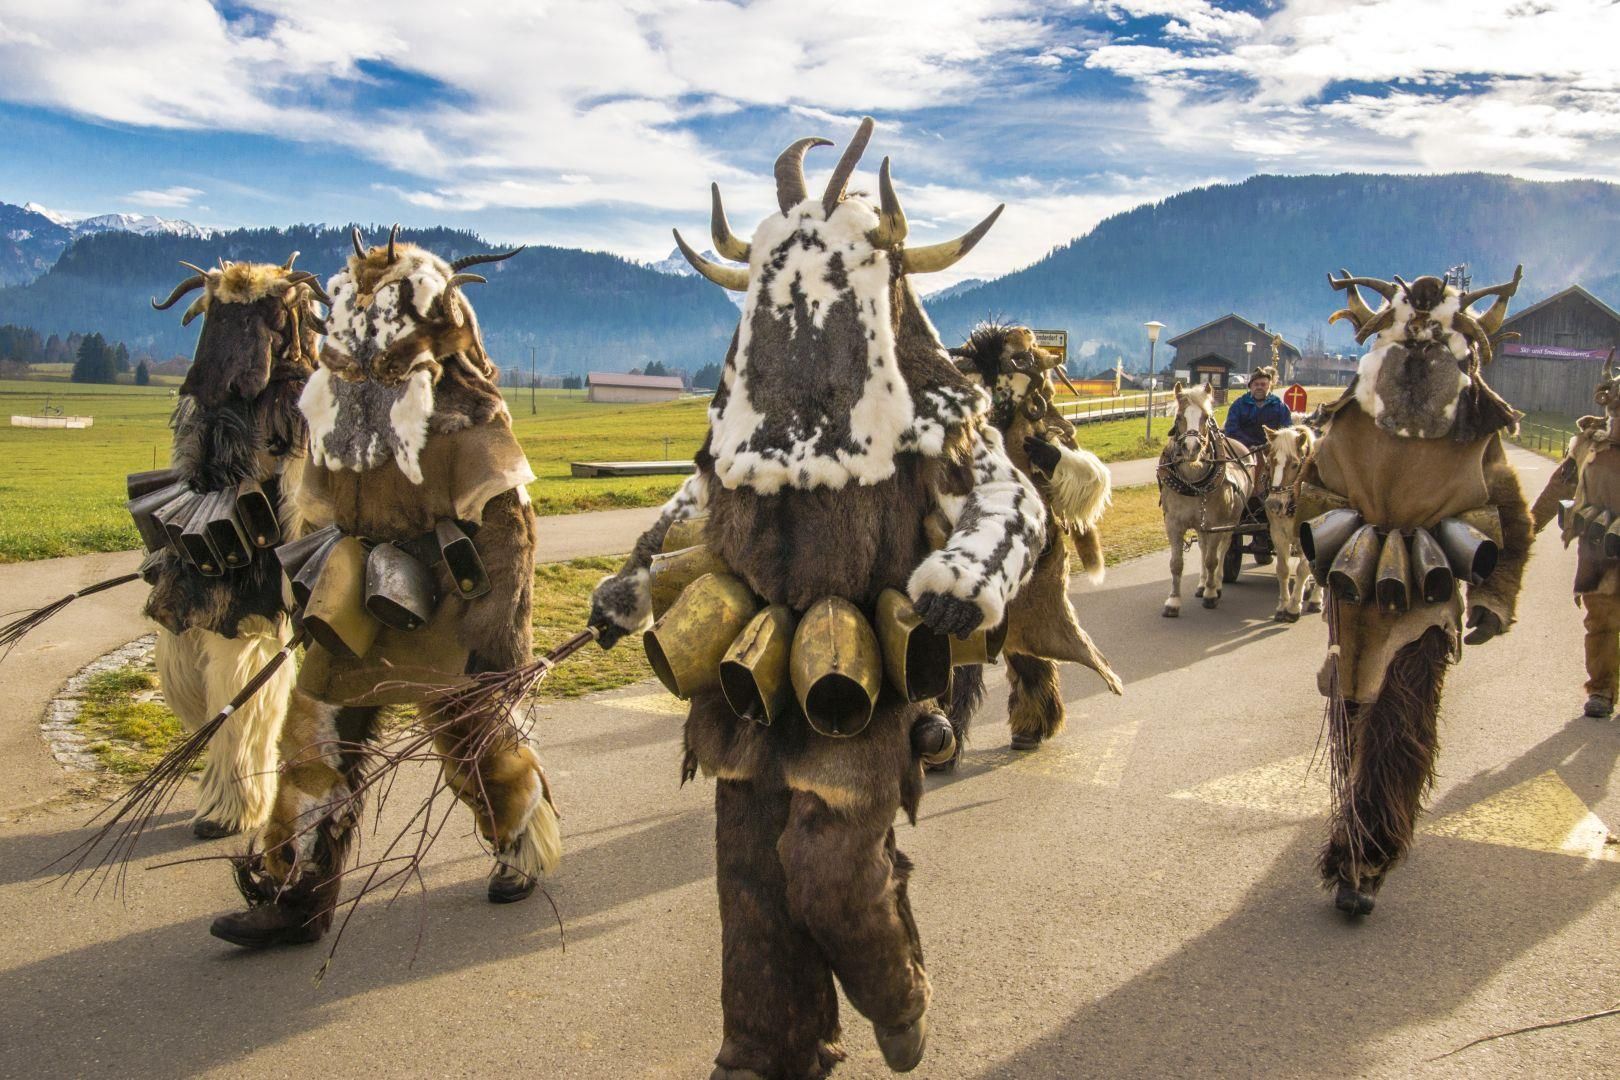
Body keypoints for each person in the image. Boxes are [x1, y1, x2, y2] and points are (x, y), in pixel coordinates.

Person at [588, 120, 1042, 1078]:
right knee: (751, 886)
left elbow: (1008, 500)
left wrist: (968, 579)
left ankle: (895, 988)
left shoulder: (925, 402)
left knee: (830, 876)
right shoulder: (743, 415)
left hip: (861, 681)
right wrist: (632, 586)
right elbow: (694, 504)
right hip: (747, 680)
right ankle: (765, 1052)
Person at [208, 231, 561, 949]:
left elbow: (511, 533)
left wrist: (499, 642)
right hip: (359, 606)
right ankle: (295, 895)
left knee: (476, 747)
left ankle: (522, 844)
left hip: (449, 612)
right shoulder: (339, 425)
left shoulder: (468, 428)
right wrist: (311, 591)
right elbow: (321, 514)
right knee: (314, 741)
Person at [1530, 349, 1620, 717]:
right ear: (1608, 403)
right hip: (1599, 551)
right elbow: (1558, 488)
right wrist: (1527, 529)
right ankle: (1601, 690)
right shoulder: (1588, 444)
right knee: (1600, 622)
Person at [1223, 365, 1292, 450]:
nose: (1259, 387)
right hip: (1242, 450)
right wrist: (1249, 444)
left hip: (1272, 450)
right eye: (1256, 384)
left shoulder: (1280, 406)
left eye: (1263, 384)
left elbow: (1286, 431)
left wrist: (1268, 446)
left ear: (1269, 386)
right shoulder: (1238, 405)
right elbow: (1231, 430)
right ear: (1250, 386)